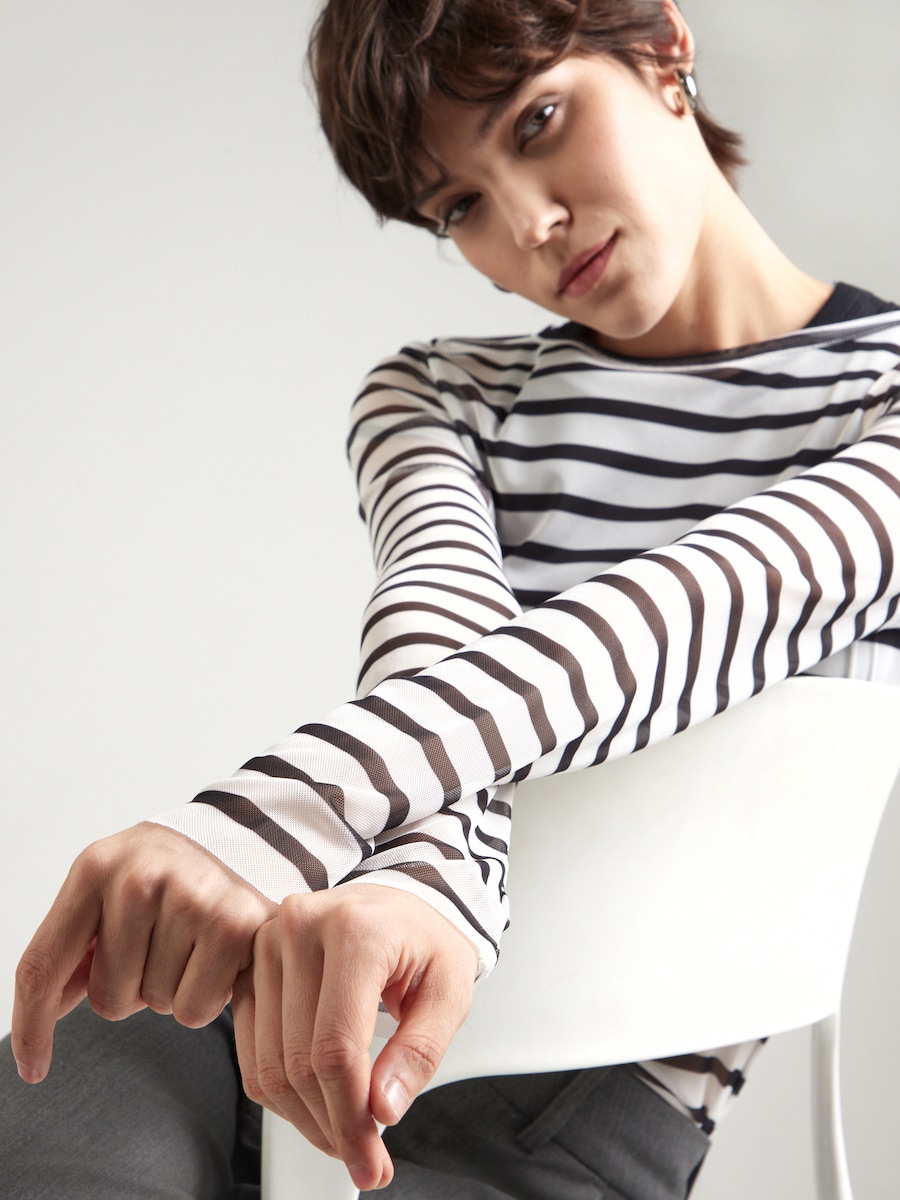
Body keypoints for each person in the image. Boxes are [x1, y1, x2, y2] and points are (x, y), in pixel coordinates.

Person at [5, 0, 900, 1196]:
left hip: (582, 1092)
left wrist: (267, 818)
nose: (528, 224)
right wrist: (418, 886)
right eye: (460, 207)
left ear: (662, 48)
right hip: (293, 977)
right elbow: (437, 631)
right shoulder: (437, 394)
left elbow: (686, 624)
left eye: (537, 122)